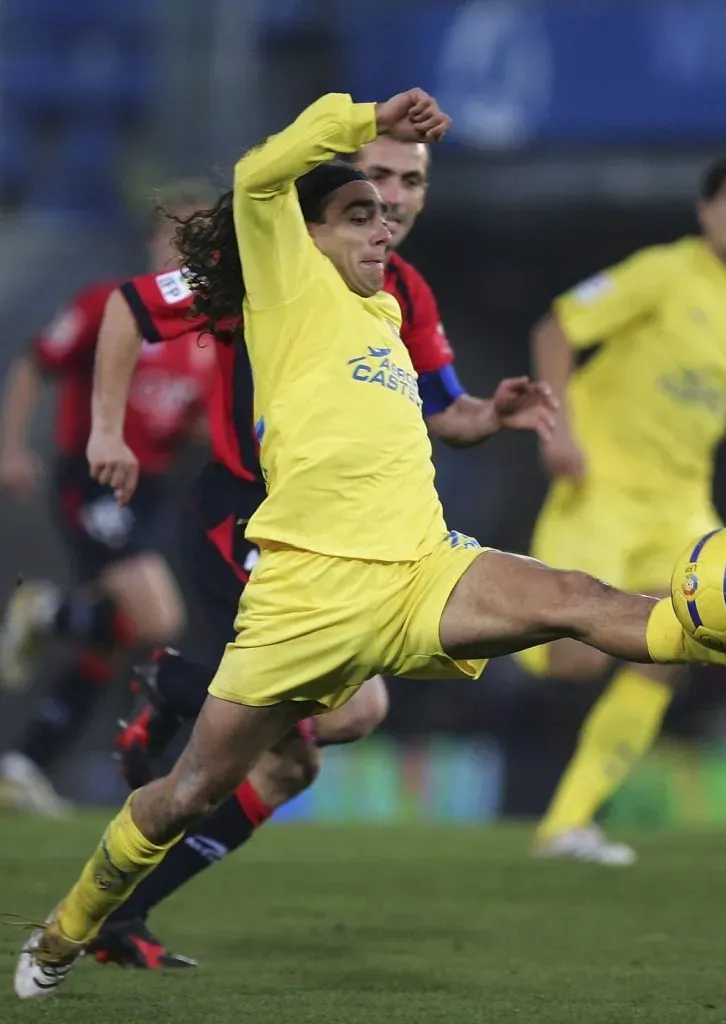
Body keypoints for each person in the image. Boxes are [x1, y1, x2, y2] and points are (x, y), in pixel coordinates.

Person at [13, 91, 726, 1001]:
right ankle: (64, 932)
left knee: (575, 597)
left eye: (392, 207)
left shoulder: (390, 311)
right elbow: (261, 175)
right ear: (305, 232)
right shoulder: (283, 281)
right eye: (359, 212)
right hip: (304, 598)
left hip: (423, 570)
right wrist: (361, 115)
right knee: (183, 794)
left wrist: (488, 413)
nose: (384, 225)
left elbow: (440, 412)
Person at [79, 136, 554, 968]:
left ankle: (124, 913)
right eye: (377, 181)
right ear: (335, 190)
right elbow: (131, 306)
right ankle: (179, 682)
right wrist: (107, 428)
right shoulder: (262, 263)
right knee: (355, 710)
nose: (397, 198)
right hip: (250, 518)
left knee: (289, 764)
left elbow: (449, 412)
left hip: (344, 539)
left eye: (413, 182)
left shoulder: (403, 291)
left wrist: (494, 413)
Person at [518, 156, 726, 865]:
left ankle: (566, 824)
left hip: (680, 507)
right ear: (705, 211)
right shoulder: (661, 271)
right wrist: (560, 430)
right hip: (598, 492)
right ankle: (460, 631)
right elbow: (555, 329)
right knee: (573, 658)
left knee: (665, 655)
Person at [0, 183, 217, 817]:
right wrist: (12, 448)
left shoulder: (206, 334)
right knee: (159, 620)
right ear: (152, 243)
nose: (187, 254)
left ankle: (24, 760)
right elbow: (35, 363)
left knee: (117, 633)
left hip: (148, 491)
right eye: (174, 238)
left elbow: (192, 422)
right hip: (93, 478)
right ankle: (41, 615)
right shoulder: (109, 306)